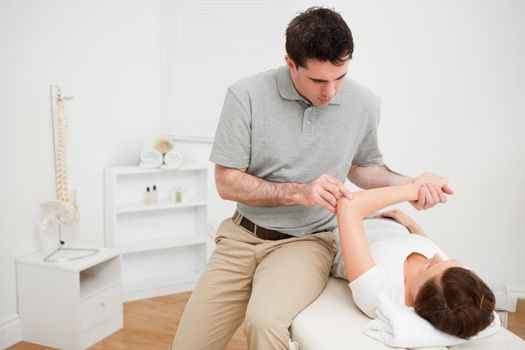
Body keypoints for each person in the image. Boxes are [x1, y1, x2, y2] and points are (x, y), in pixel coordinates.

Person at [171, 7, 452, 350]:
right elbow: (227, 182)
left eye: (341, 77)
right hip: (241, 236)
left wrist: (412, 185)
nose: (331, 92)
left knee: (263, 323)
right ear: (291, 63)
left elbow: (364, 169)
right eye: (318, 80)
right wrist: (299, 192)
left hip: (308, 241)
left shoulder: (363, 104)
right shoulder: (245, 95)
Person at [334, 173, 495, 339]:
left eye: (431, 265)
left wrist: (413, 189)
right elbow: (425, 248)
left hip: (341, 219)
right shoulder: (448, 279)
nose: (437, 257)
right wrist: (410, 224)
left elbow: (348, 205)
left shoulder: (379, 294)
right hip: (387, 220)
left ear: (420, 293)